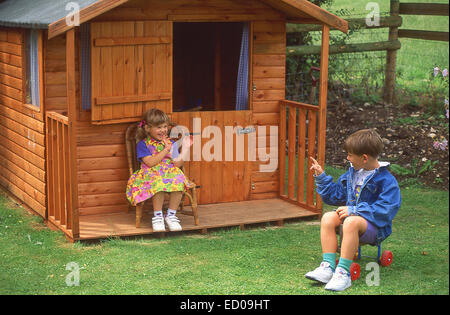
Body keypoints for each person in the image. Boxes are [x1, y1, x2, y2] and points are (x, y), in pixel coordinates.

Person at [305, 129, 401, 291]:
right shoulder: (352, 175)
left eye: (350, 155)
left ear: (364, 158)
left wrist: (355, 210)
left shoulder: (387, 181)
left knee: (350, 221)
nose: (347, 158)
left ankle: (343, 273)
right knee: (328, 217)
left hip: (375, 228)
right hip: (354, 221)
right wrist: (321, 178)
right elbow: (335, 196)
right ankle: (328, 267)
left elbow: (386, 210)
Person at [126, 109, 192, 232]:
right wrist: (165, 150)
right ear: (147, 128)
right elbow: (150, 163)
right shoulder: (143, 144)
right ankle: (158, 217)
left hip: (169, 172)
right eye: (159, 127)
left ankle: (171, 216)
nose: (163, 130)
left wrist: (186, 148)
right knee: (158, 183)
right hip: (149, 174)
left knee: (178, 181)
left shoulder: (170, 143)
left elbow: (177, 163)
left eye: (165, 126)